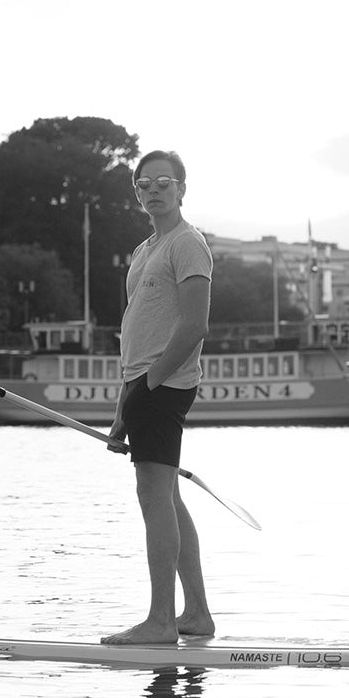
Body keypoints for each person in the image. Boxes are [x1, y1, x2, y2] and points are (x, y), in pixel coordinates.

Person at [102, 150, 214, 645]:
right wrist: (123, 408)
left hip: (162, 384)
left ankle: (161, 621)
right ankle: (196, 616)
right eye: (143, 183)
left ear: (182, 188)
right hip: (141, 386)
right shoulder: (145, 248)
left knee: (154, 498)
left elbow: (194, 326)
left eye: (163, 182)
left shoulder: (188, 244)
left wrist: (147, 389)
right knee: (167, 496)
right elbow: (137, 329)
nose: (153, 190)